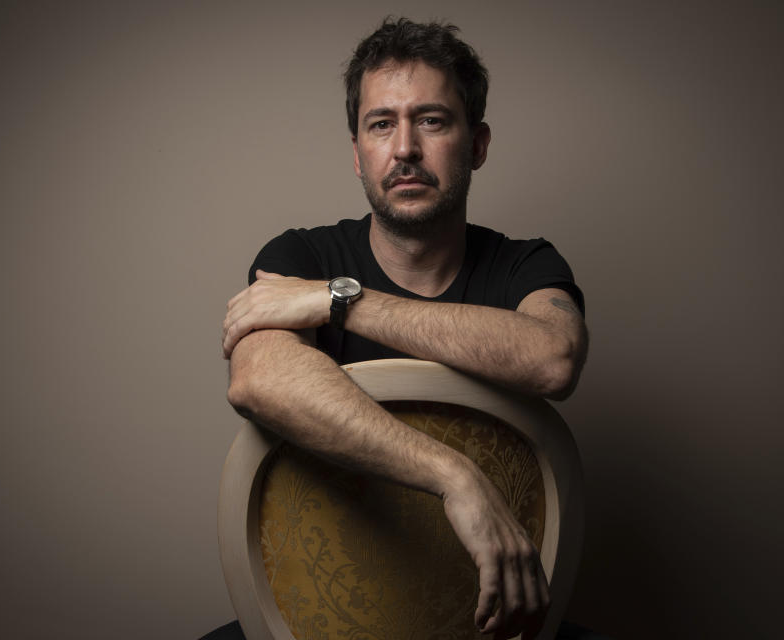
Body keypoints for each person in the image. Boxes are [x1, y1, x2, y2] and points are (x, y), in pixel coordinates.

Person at [214, 17, 589, 640]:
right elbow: (258, 378)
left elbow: (553, 359)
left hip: (493, 618)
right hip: (312, 614)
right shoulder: (299, 257)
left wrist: (341, 303)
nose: (405, 148)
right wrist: (454, 477)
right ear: (357, 153)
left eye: (433, 120)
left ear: (478, 144)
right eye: (381, 124)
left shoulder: (528, 265)